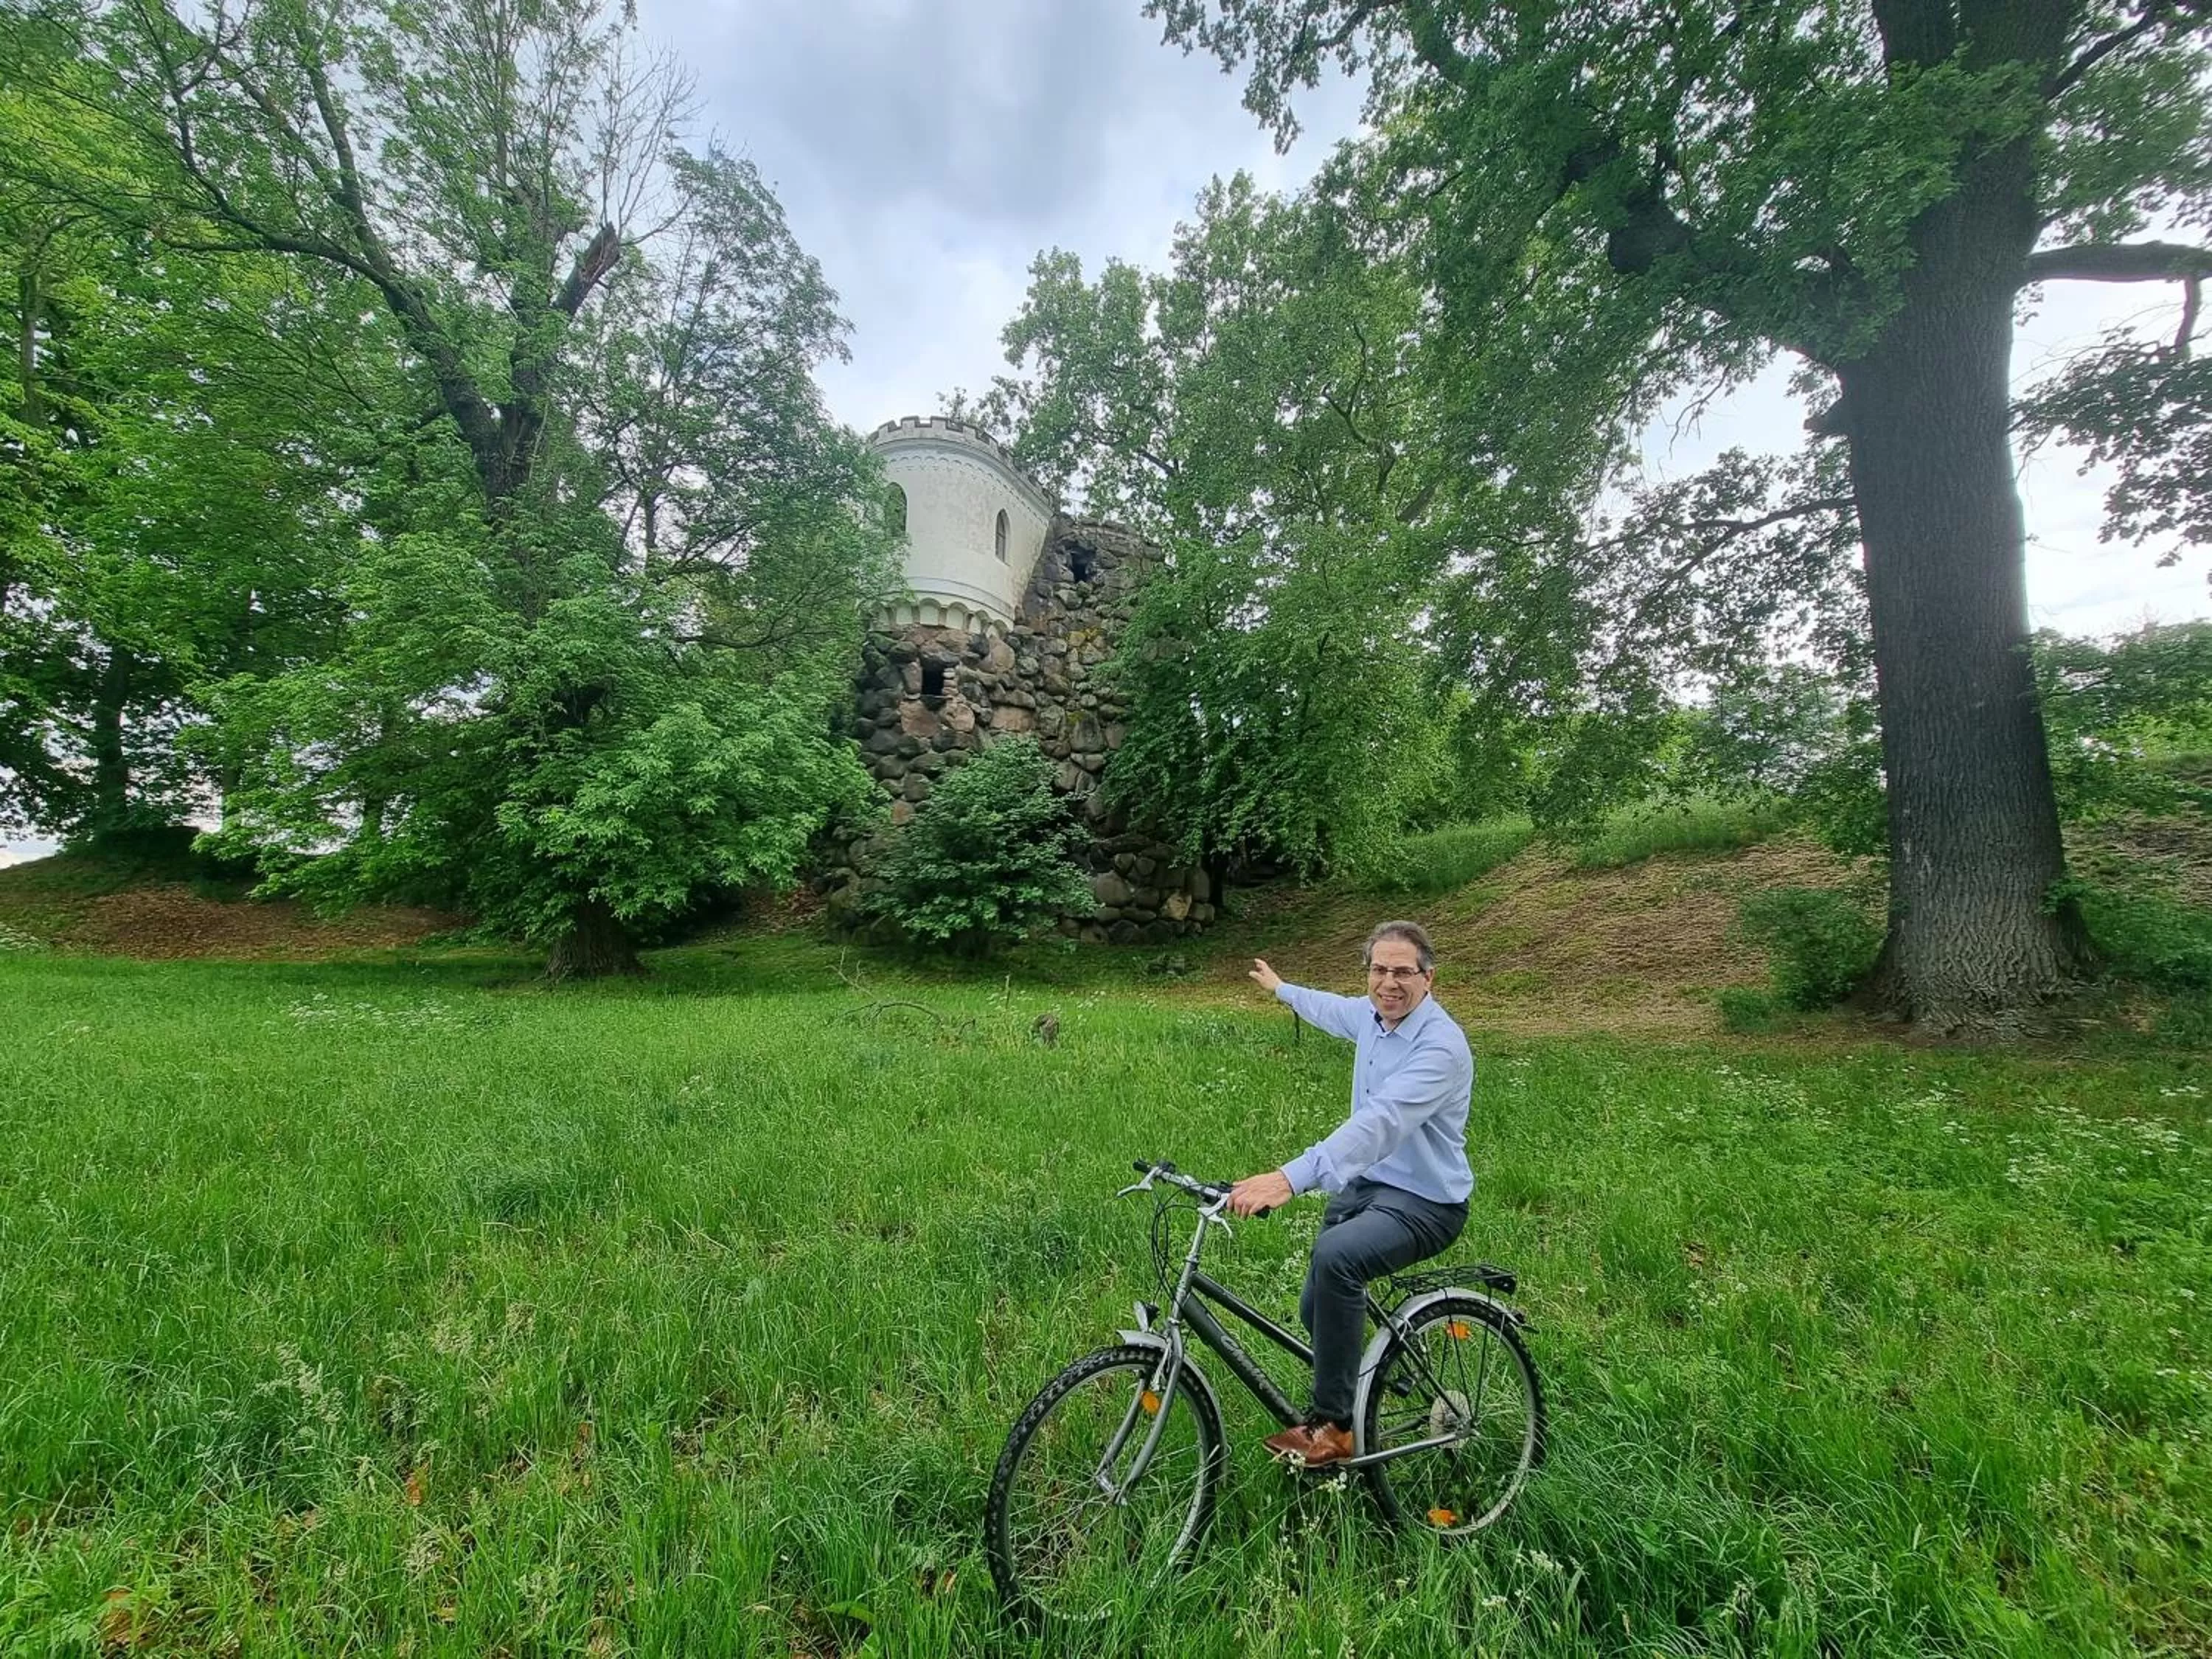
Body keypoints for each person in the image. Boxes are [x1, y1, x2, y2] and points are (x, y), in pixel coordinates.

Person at [1228, 920, 1473, 1468]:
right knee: (1317, 1307)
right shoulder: (1370, 1015)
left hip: (1428, 1202)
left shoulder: (1441, 1048)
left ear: (1428, 978)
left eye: (1403, 972)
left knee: (1337, 1262)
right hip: (1371, 1185)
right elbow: (1329, 1008)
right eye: (1379, 970)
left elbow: (1382, 1123)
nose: (1390, 982)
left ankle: (1338, 1428)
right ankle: (1390, 1373)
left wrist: (1291, 1177)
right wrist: (1282, 989)